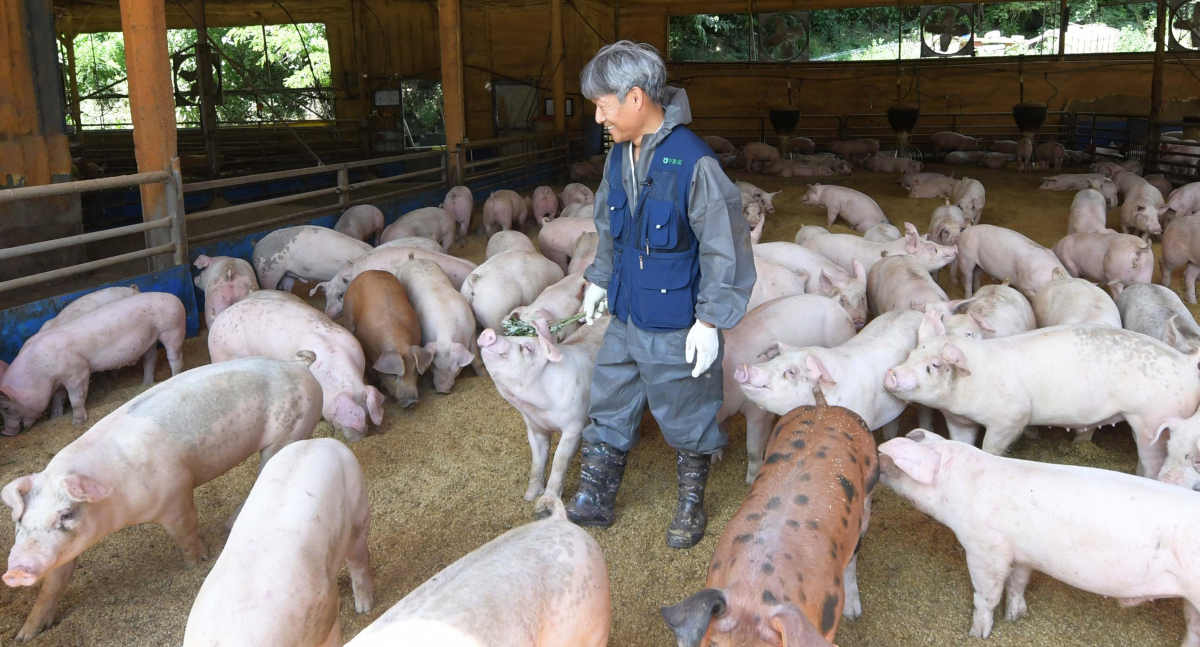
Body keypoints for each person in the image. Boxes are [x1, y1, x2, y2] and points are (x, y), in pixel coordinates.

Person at [566, 40, 756, 549]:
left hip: (676, 320)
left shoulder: (693, 162)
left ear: (633, 98)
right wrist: (601, 279)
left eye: (603, 105)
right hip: (627, 313)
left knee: (687, 410)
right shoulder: (617, 158)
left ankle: (690, 505)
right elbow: (611, 226)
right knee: (609, 398)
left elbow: (725, 246)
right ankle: (596, 497)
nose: (600, 117)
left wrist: (711, 321)